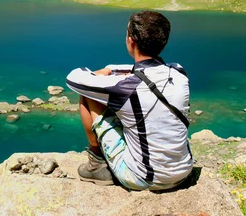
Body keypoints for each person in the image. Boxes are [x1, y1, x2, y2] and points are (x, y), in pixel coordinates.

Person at [66, 10, 193, 191]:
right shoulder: (179, 73)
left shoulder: (126, 88)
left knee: (88, 93)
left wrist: (102, 72)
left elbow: (74, 79)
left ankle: (96, 164)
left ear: (131, 40)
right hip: (182, 173)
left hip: (143, 179)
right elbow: (147, 69)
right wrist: (112, 69)